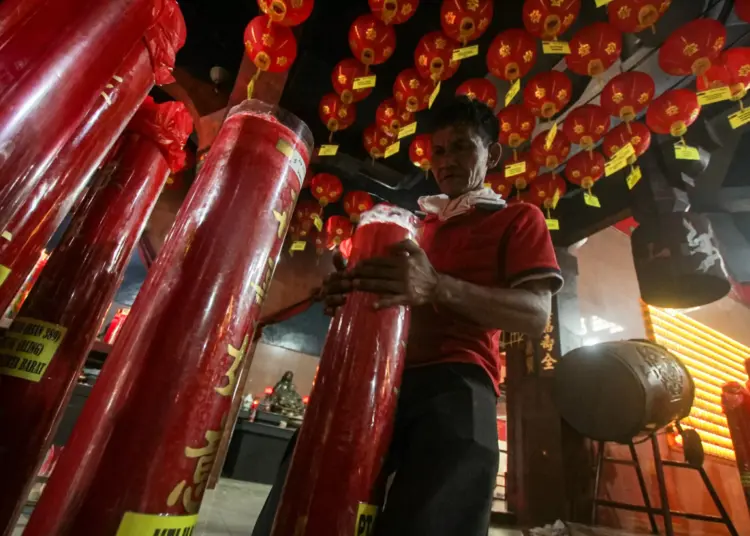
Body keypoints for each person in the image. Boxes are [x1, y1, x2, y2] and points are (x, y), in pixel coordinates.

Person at [252, 96, 563, 536]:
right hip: (373, 371)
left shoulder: (517, 219)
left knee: (440, 504)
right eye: (437, 152)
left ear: (491, 154)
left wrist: (437, 286)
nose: (447, 161)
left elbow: (535, 316)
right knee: (306, 488)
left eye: (461, 147)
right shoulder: (411, 227)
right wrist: (347, 296)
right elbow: (380, 298)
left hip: (456, 378)